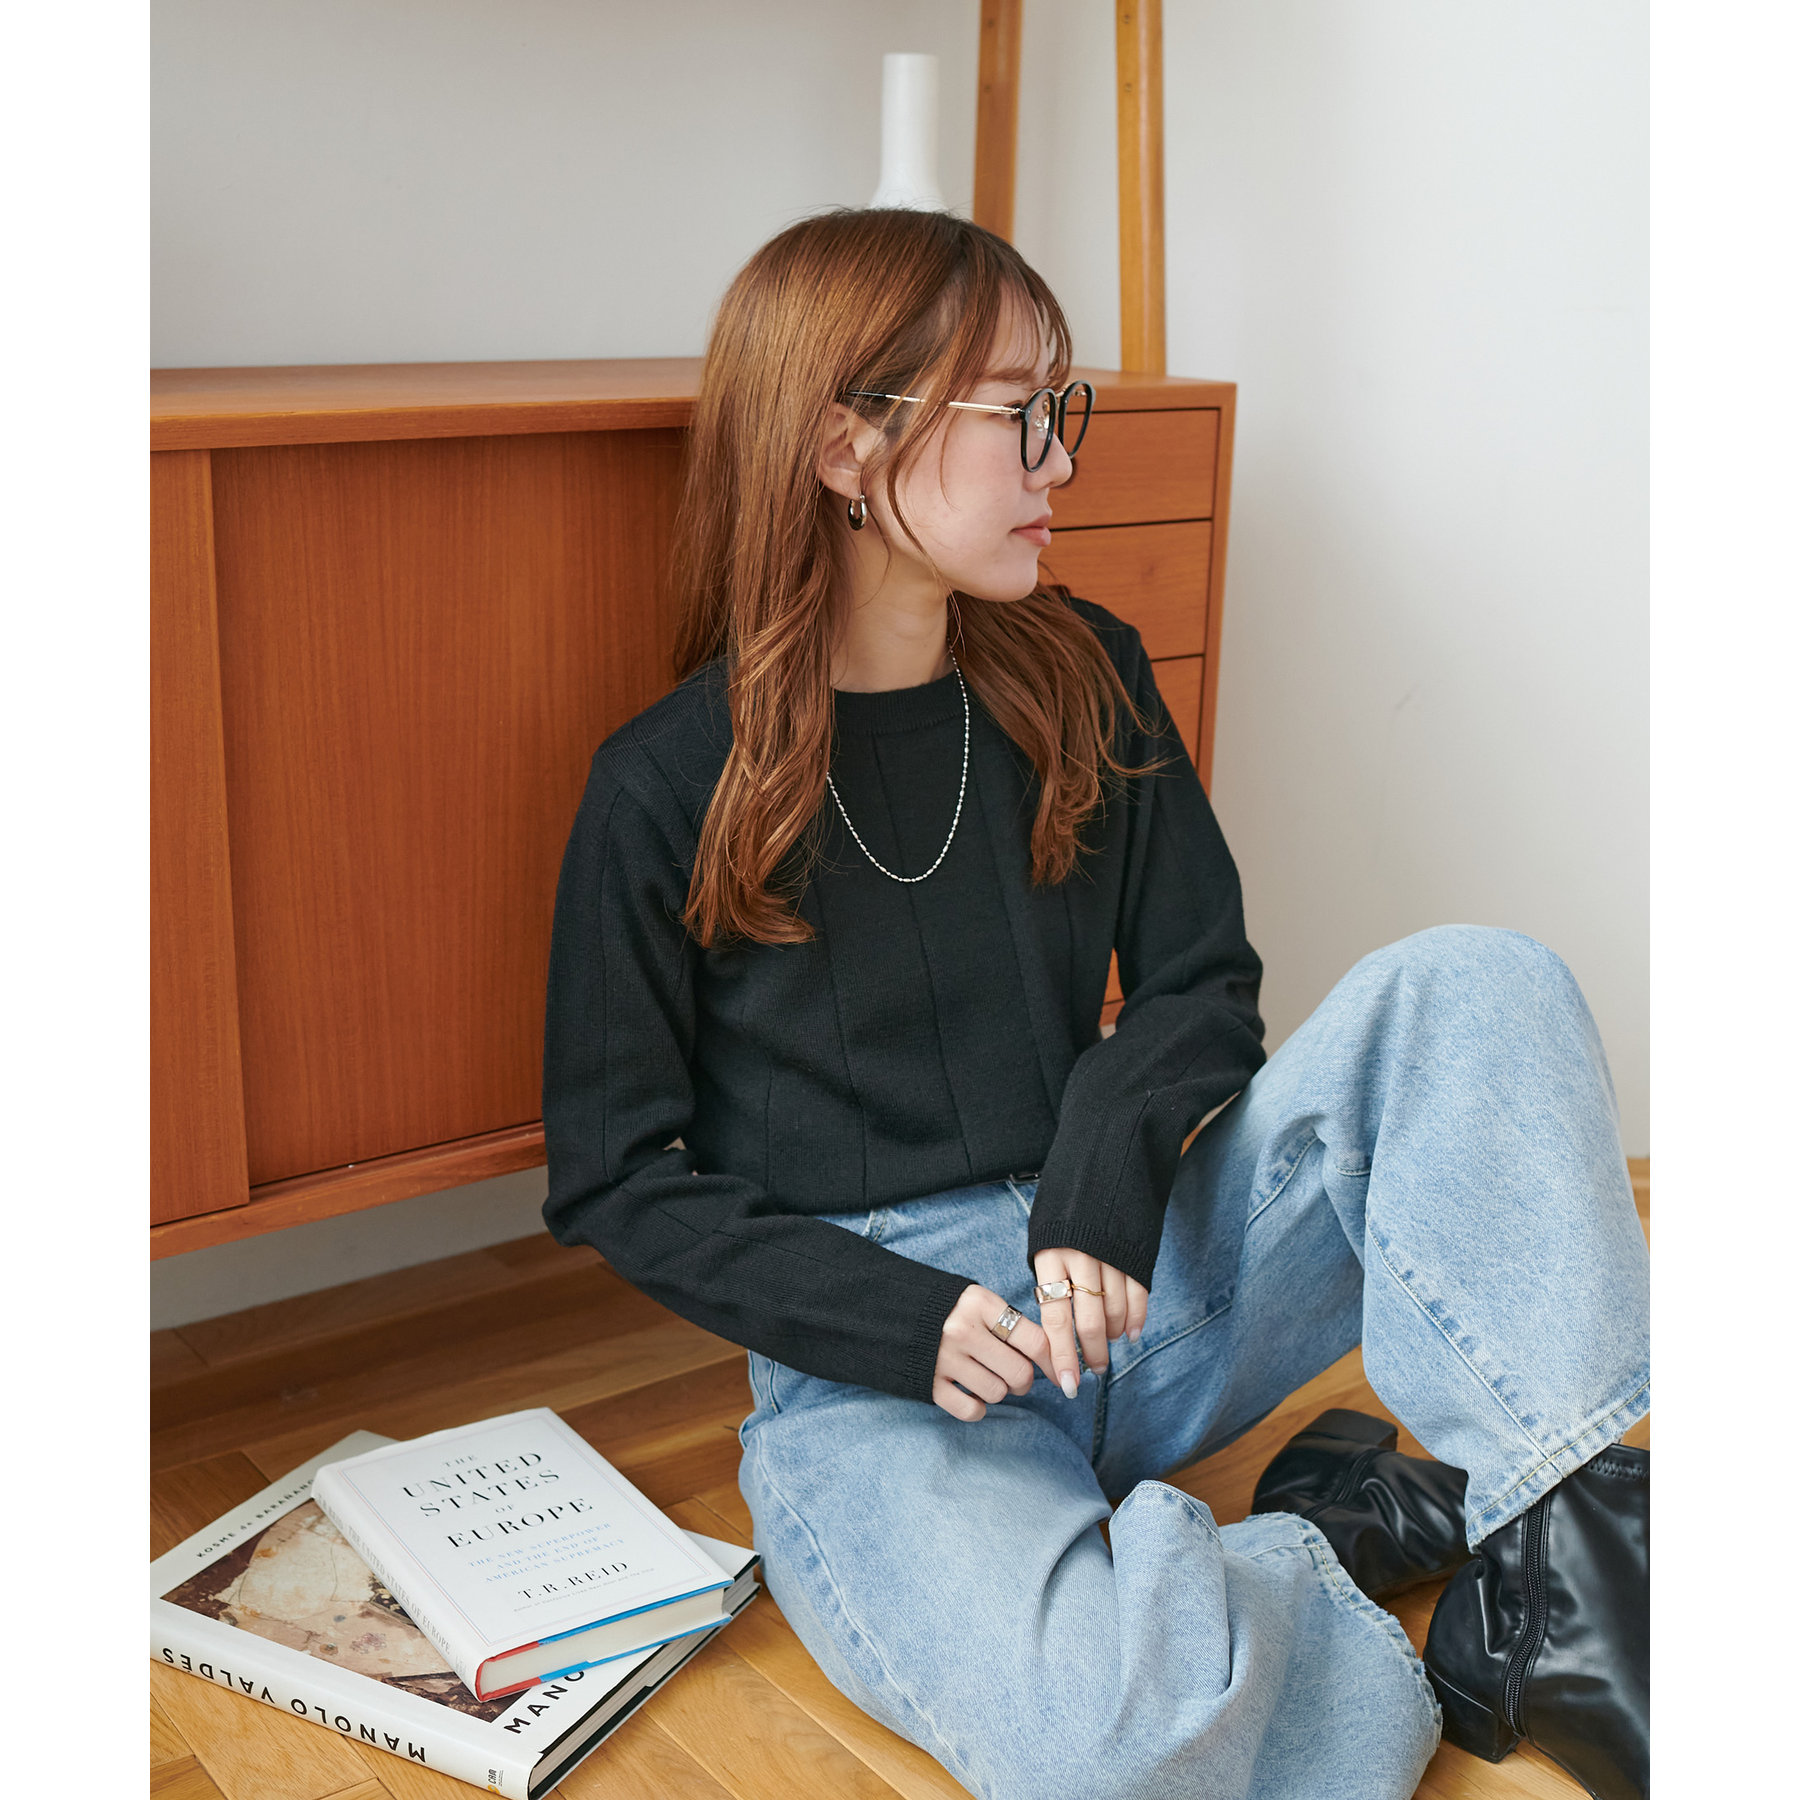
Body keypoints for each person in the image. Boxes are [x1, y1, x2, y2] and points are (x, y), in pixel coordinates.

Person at [542, 210, 1649, 1800]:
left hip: (1138, 1282)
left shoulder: (1083, 673)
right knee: (1111, 1751)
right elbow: (613, 1172)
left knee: (1479, 984)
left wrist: (1104, 1190)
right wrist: (897, 1318)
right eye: (1019, 414)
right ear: (847, 447)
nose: (1059, 460)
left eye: (1063, 410)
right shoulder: (661, 787)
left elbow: (1202, 984)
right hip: (895, 1382)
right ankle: (1320, 1542)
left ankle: (1564, 1579)